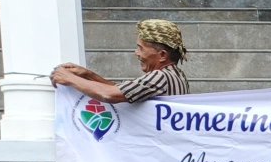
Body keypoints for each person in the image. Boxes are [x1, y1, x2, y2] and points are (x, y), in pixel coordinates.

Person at [51, 19, 191, 104]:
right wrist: (88, 75)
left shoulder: (159, 77)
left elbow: (109, 94)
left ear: (162, 55)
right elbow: (123, 91)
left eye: (140, 48)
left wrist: (68, 78)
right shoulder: (177, 75)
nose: (136, 53)